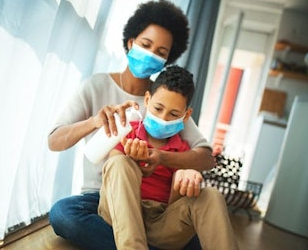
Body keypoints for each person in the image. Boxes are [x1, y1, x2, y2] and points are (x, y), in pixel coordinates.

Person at [48, 0, 214, 250]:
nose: (150, 54)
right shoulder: (97, 86)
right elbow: (54, 140)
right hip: (101, 197)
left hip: (155, 204)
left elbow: (206, 158)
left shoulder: (163, 101)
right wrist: (94, 121)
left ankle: (134, 241)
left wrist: (162, 158)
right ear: (130, 42)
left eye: (160, 52)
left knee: (197, 233)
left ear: (167, 60)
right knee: (64, 215)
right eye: (146, 45)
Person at [98, 65, 238, 249]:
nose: (163, 118)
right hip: (120, 212)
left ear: (186, 115)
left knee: (211, 196)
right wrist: (131, 158)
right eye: (158, 108)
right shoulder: (127, 131)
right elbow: (111, 171)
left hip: (161, 224)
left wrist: (184, 180)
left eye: (173, 114)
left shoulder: (184, 151)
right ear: (147, 99)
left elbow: (176, 206)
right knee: (119, 162)